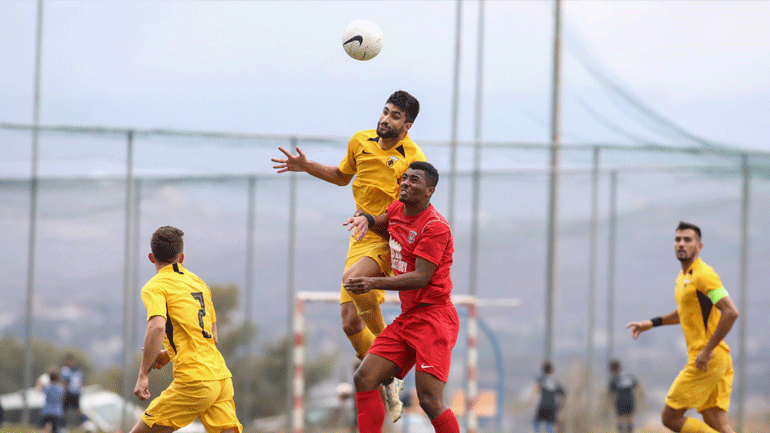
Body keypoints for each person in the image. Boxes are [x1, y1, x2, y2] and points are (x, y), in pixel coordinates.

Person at [271, 90, 426, 422]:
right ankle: (386, 375)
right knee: (350, 322)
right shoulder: (360, 141)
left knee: (353, 281)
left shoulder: (412, 160)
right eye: (384, 112)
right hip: (359, 236)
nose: (385, 119)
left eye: (395, 116)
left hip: (387, 238)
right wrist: (306, 166)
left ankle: (392, 361)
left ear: (407, 125)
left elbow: (407, 213)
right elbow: (342, 177)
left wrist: (374, 220)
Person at [342, 161, 460, 433]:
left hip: (434, 319)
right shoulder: (397, 209)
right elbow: (388, 221)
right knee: (364, 378)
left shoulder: (435, 227)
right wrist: (368, 219)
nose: (406, 183)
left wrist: (373, 282)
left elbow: (421, 277)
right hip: (409, 318)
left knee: (430, 399)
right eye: (404, 178)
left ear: (429, 190)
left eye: (414, 180)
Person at [627, 221, 739, 433]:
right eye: (678, 239)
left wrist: (706, 351)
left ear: (699, 246)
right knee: (713, 418)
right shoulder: (683, 277)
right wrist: (652, 323)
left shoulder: (704, 275)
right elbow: (685, 313)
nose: (681, 244)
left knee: (670, 417)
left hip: (708, 359)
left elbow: (730, 312)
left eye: (688, 240)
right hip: (714, 357)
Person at [130, 226, 242, 433]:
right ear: (181, 258)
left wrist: (143, 375)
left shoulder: (155, 286)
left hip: (195, 381)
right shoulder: (199, 283)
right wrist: (169, 353)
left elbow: (156, 327)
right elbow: (211, 336)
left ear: (151, 257)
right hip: (220, 378)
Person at [528, 361, 565, 433]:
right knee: (549, 426)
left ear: (543, 370)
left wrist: (531, 400)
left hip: (543, 406)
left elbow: (536, 389)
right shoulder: (555, 382)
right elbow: (563, 393)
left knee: (536, 424)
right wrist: (559, 406)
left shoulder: (542, 379)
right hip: (552, 407)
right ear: (552, 371)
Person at [607, 359, 642, 433]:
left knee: (620, 419)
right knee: (630, 418)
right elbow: (638, 386)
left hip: (620, 400)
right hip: (630, 399)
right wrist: (641, 397)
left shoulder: (614, 378)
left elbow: (611, 393)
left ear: (612, 369)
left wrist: (610, 403)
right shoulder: (629, 376)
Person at [37, 368, 65, 433]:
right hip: (57, 413)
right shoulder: (60, 388)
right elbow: (63, 396)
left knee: (41, 429)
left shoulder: (47, 387)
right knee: (55, 430)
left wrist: (39, 382)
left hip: (46, 412)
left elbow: (38, 390)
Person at [61, 353, 84, 425]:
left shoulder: (68, 370)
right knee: (65, 409)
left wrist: (63, 393)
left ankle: (82, 423)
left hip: (71, 392)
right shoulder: (78, 371)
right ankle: (63, 424)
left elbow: (65, 382)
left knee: (75, 410)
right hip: (73, 392)